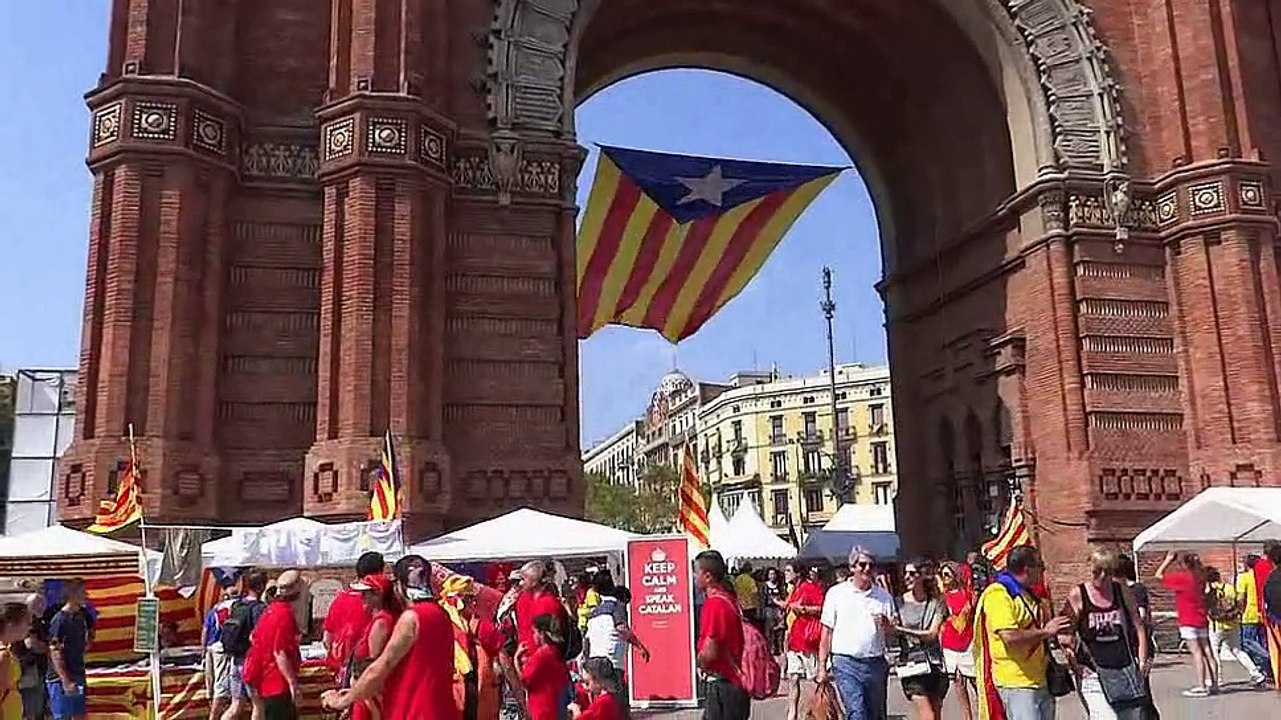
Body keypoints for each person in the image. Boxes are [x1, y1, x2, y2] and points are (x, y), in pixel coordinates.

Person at [320, 555, 457, 718]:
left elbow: (381, 666)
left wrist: (341, 701)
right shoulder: (442, 614)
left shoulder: (411, 618)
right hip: (441, 708)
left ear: (399, 586)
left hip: (414, 711)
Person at [974, 545, 1069, 720]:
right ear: (1027, 569)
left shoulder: (1028, 592)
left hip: (1040, 677)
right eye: (1040, 565)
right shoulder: (999, 594)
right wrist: (1046, 632)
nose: (1042, 570)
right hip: (1016, 681)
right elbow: (1009, 637)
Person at [1060, 549, 1152, 720]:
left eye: (1107, 572)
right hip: (1093, 672)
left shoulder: (1121, 591)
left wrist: (1142, 660)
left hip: (1124, 668)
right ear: (1089, 569)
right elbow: (1064, 633)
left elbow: (1139, 626)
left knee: (1132, 716)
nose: (1102, 577)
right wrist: (1074, 664)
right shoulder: (1078, 595)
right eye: (1097, 572)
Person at [817, 547, 896, 720]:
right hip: (845, 663)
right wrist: (822, 667)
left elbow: (892, 633)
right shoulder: (836, 594)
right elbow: (826, 632)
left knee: (876, 714)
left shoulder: (883, 597)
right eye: (862, 565)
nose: (867, 569)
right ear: (852, 567)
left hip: (875, 663)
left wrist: (887, 625)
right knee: (857, 712)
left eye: (871, 565)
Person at [242, 570, 307, 720]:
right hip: (276, 682)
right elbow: (280, 652)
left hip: (264, 678)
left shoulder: (270, 610)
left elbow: (254, 637)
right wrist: (292, 684)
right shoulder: (285, 614)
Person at [694, 550, 749, 720]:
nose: (694, 577)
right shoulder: (728, 599)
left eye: (696, 572)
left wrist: (700, 664)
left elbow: (711, 647)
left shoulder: (714, 604)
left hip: (723, 684)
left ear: (708, 576)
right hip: (734, 682)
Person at [442, 575, 505, 720]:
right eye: (470, 598)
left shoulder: (481, 626)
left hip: (471, 694)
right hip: (464, 694)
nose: (474, 602)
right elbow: (502, 660)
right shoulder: (480, 626)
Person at [1155, 550, 1216, 696]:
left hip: (1188, 619)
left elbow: (1158, 576)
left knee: (1196, 653)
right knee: (1207, 651)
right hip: (1201, 618)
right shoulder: (1201, 577)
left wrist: (1167, 560)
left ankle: (1201, 686)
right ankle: (1213, 683)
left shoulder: (1182, 578)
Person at [894, 559, 949, 720]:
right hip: (911, 665)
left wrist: (900, 629)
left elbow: (932, 634)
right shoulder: (898, 603)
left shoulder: (937, 603)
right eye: (905, 573)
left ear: (922, 576)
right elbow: (891, 630)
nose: (907, 577)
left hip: (935, 664)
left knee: (936, 715)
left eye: (912, 573)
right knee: (929, 716)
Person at [325, 552, 386, 683]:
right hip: (366, 672)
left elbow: (327, 639)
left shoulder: (338, 600)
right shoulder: (378, 603)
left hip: (342, 670)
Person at [348, 572, 399, 720]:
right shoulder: (377, 619)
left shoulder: (382, 622)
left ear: (377, 595)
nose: (361, 597)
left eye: (365, 593)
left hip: (370, 695)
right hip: (364, 692)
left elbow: (375, 664)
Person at [1204, 566, 1266, 687]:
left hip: (1217, 625)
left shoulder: (1209, 589)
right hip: (1233, 623)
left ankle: (1217, 679)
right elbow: (1238, 602)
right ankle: (1257, 674)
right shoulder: (1229, 588)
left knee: (1214, 652)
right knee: (1237, 650)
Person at [778, 559, 823, 720]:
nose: (785, 574)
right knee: (793, 677)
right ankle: (792, 713)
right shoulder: (793, 590)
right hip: (793, 639)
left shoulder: (810, 587)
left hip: (807, 639)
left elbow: (821, 608)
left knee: (815, 679)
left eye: (789, 571)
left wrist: (803, 609)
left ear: (798, 572)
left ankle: (826, 708)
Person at [221, 570, 269, 720]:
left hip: (235, 661)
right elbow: (256, 637)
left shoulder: (237, 605)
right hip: (250, 662)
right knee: (258, 705)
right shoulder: (259, 608)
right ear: (261, 587)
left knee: (235, 706)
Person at [45, 579, 93, 720]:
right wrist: (65, 679)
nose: (86, 594)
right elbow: (55, 651)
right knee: (63, 716)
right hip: (60, 678)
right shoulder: (60, 619)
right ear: (72, 594)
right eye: (82, 591)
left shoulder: (80, 617)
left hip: (77, 672)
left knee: (79, 714)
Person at [939, 562, 976, 720]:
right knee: (959, 682)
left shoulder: (968, 594)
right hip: (950, 641)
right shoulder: (941, 596)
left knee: (975, 681)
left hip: (968, 640)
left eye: (948, 574)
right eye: (943, 575)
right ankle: (967, 717)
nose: (945, 578)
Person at [518, 614, 571, 720]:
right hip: (555, 707)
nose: (533, 636)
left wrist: (516, 660)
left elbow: (524, 680)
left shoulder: (542, 655)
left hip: (542, 710)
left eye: (535, 632)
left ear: (542, 634)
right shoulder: (555, 652)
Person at [584, 586, 649, 671]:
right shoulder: (617, 606)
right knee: (615, 684)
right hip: (611, 662)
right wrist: (640, 647)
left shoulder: (594, 613)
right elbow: (622, 629)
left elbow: (586, 641)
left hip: (593, 662)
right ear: (623, 599)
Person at [514, 561, 571, 657]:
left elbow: (551, 638)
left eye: (523, 579)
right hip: (524, 655)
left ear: (534, 582)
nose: (520, 583)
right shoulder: (522, 599)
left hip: (542, 658)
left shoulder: (549, 604)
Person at [202, 581, 238, 719]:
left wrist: (203, 648)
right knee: (220, 681)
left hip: (210, 646)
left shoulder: (215, 608)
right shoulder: (231, 608)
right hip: (220, 647)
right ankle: (214, 716)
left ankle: (213, 708)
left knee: (210, 679)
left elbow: (205, 630)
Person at [1236, 554, 1274, 682]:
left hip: (1248, 614)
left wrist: (1239, 611)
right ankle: (1266, 669)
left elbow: (1241, 597)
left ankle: (1268, 658)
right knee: (1262, 641)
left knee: (1247, 642)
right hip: (1261, 612)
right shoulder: (1260, 576)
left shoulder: (1243, 578)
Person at [12, 593, 47, 720]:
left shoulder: (37, 621)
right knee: (30, 708)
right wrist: (49, 649)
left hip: (35, 669)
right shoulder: (29, 622)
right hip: (28, 669)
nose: (41, 608)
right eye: (38, 605)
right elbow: (31, 644)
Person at [1, 602, 32, 720]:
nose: (30, 627)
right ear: (11, 624)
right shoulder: (4, 654)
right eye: (27, 623)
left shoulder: (7, 649)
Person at [733, 562, 760, 630]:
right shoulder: (750, 580)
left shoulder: (737, 579)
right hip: (750, 606)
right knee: (750, 626)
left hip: (740, 605)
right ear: (750, 570)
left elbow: (734, 590)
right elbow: (755, 591)